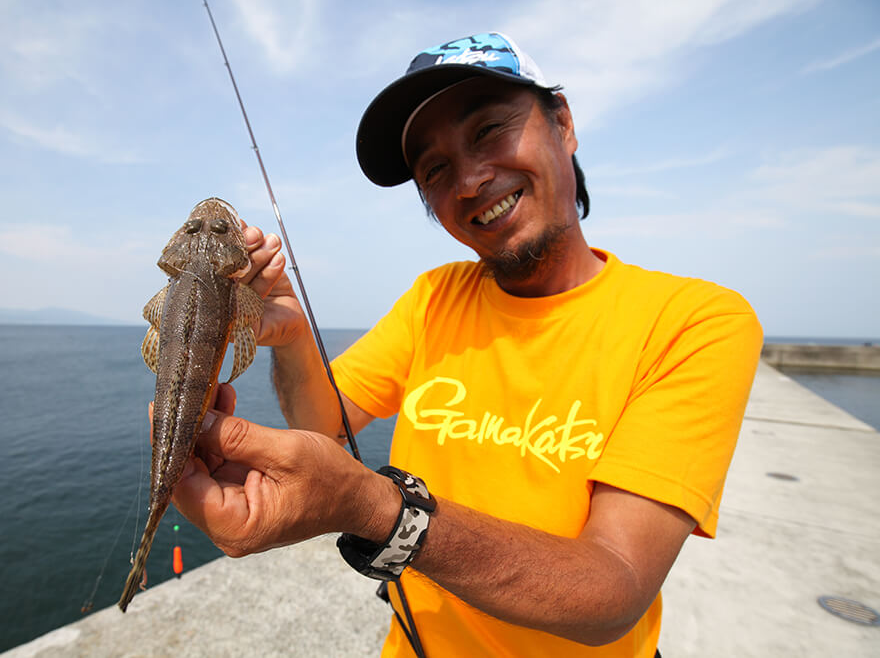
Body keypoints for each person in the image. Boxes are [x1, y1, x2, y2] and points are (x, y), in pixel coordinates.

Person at [169, 32, 763, 657]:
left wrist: (376, 508)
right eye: (435, 169)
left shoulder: (693, 321)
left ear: (562, 122)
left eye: (488, 131)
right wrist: (290, 336)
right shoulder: (435, 297)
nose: (471, 180)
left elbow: (613, 587)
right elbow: (324, 423)